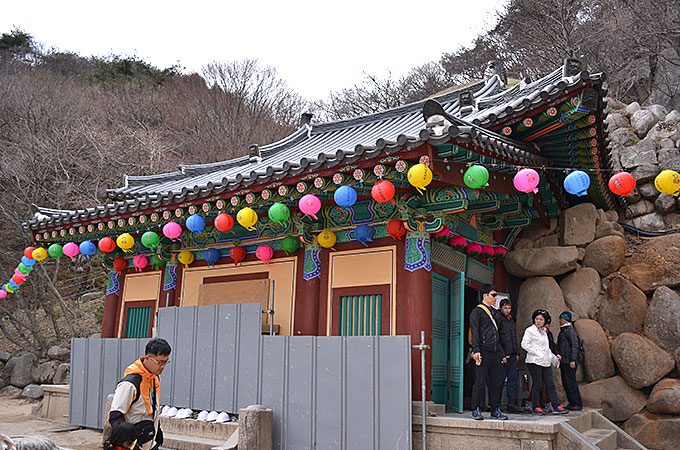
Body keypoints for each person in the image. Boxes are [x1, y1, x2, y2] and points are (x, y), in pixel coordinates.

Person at [109, 338, 171, 450]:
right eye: (160, 362)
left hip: (150, 440)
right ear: (148, 358)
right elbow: (115, 417)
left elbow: (151, 409)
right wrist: (130, 444)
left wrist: (157, 429)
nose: (163, 366)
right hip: (135, 443)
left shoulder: (154, 378)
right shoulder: (130, 384)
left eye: (166, 362)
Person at [469, 284, 508, 420]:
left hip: (496, 352)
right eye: (493, 295)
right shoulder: (477, 312)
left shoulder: (495, 313)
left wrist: (502, 353)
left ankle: (495, 409)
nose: (495, 298)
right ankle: (476, 409)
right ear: (485, 296)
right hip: (483, 352)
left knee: (497, 383)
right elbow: (475, 332)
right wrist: (476, 350)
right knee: (479, 382)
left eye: (496, 295)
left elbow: (499, 334)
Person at [521, 310, 568, 415]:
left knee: (550, 384)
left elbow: (547, 348)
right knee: (537, 384)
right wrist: (536, 353)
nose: (538, 321)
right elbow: (524, 344)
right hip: (534, 361)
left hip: (545, 362)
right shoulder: (530, 330)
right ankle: (535, 406)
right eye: (537, 319)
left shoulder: (544, 332)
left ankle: (556, 405)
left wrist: (553, 358)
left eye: (541, 319)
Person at [498, 298, 522, 413]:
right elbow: (497, 338)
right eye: (505, 308)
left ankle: (511, 403)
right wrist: (502, 354)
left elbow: (514, 338)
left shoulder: (511, 320)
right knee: (499, 379)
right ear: (501, 308)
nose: (507, 310)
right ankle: (495, 403)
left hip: (512, 353)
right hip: (503, 355)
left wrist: (516, 352)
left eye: (509, 308)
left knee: (512, 379)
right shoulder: (499, 319)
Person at [557, 311, 583, 411]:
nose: (559, 321)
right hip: (564, 361)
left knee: (571, 382)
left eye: (561, 319)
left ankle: (577, 403)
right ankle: (572, 402)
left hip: (569, 361)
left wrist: (573, 359)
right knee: (566, 382)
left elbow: (574, 345)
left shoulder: (570, 331)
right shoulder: (563, 331)